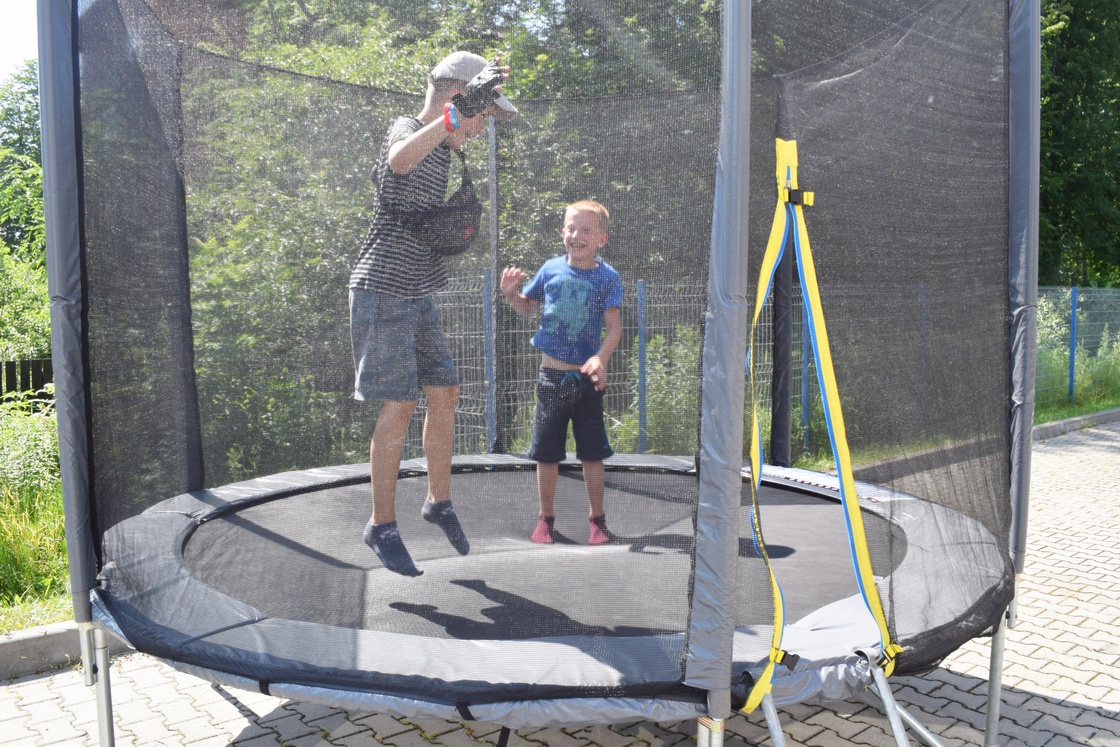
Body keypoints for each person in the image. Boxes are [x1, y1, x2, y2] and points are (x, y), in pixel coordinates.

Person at [349, 51, 518, 576]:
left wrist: (460, 119)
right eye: (481, 114)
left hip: (416, 290)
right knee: (400, 403)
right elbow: (400, 161)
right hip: (382, 289)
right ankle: (381, 524)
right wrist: (453, 116)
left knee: (444, 392)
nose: (482, 127)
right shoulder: (408, 129)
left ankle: (438, 501)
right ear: (455, 98)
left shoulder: (445, 150)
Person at [500, 200, 623, 546]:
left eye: (586, 230)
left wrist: (600, 358)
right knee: (546, 453)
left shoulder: (607, 278)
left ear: (601, 239)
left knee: (592, 453)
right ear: (562, 233)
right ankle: (545, 519)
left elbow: (614, 329)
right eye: (571, 228)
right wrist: (511, 295)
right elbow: (527, 307)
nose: (576, 235)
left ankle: (597, 521)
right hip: (551, 380)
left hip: (587, 381)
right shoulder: (550, 269)